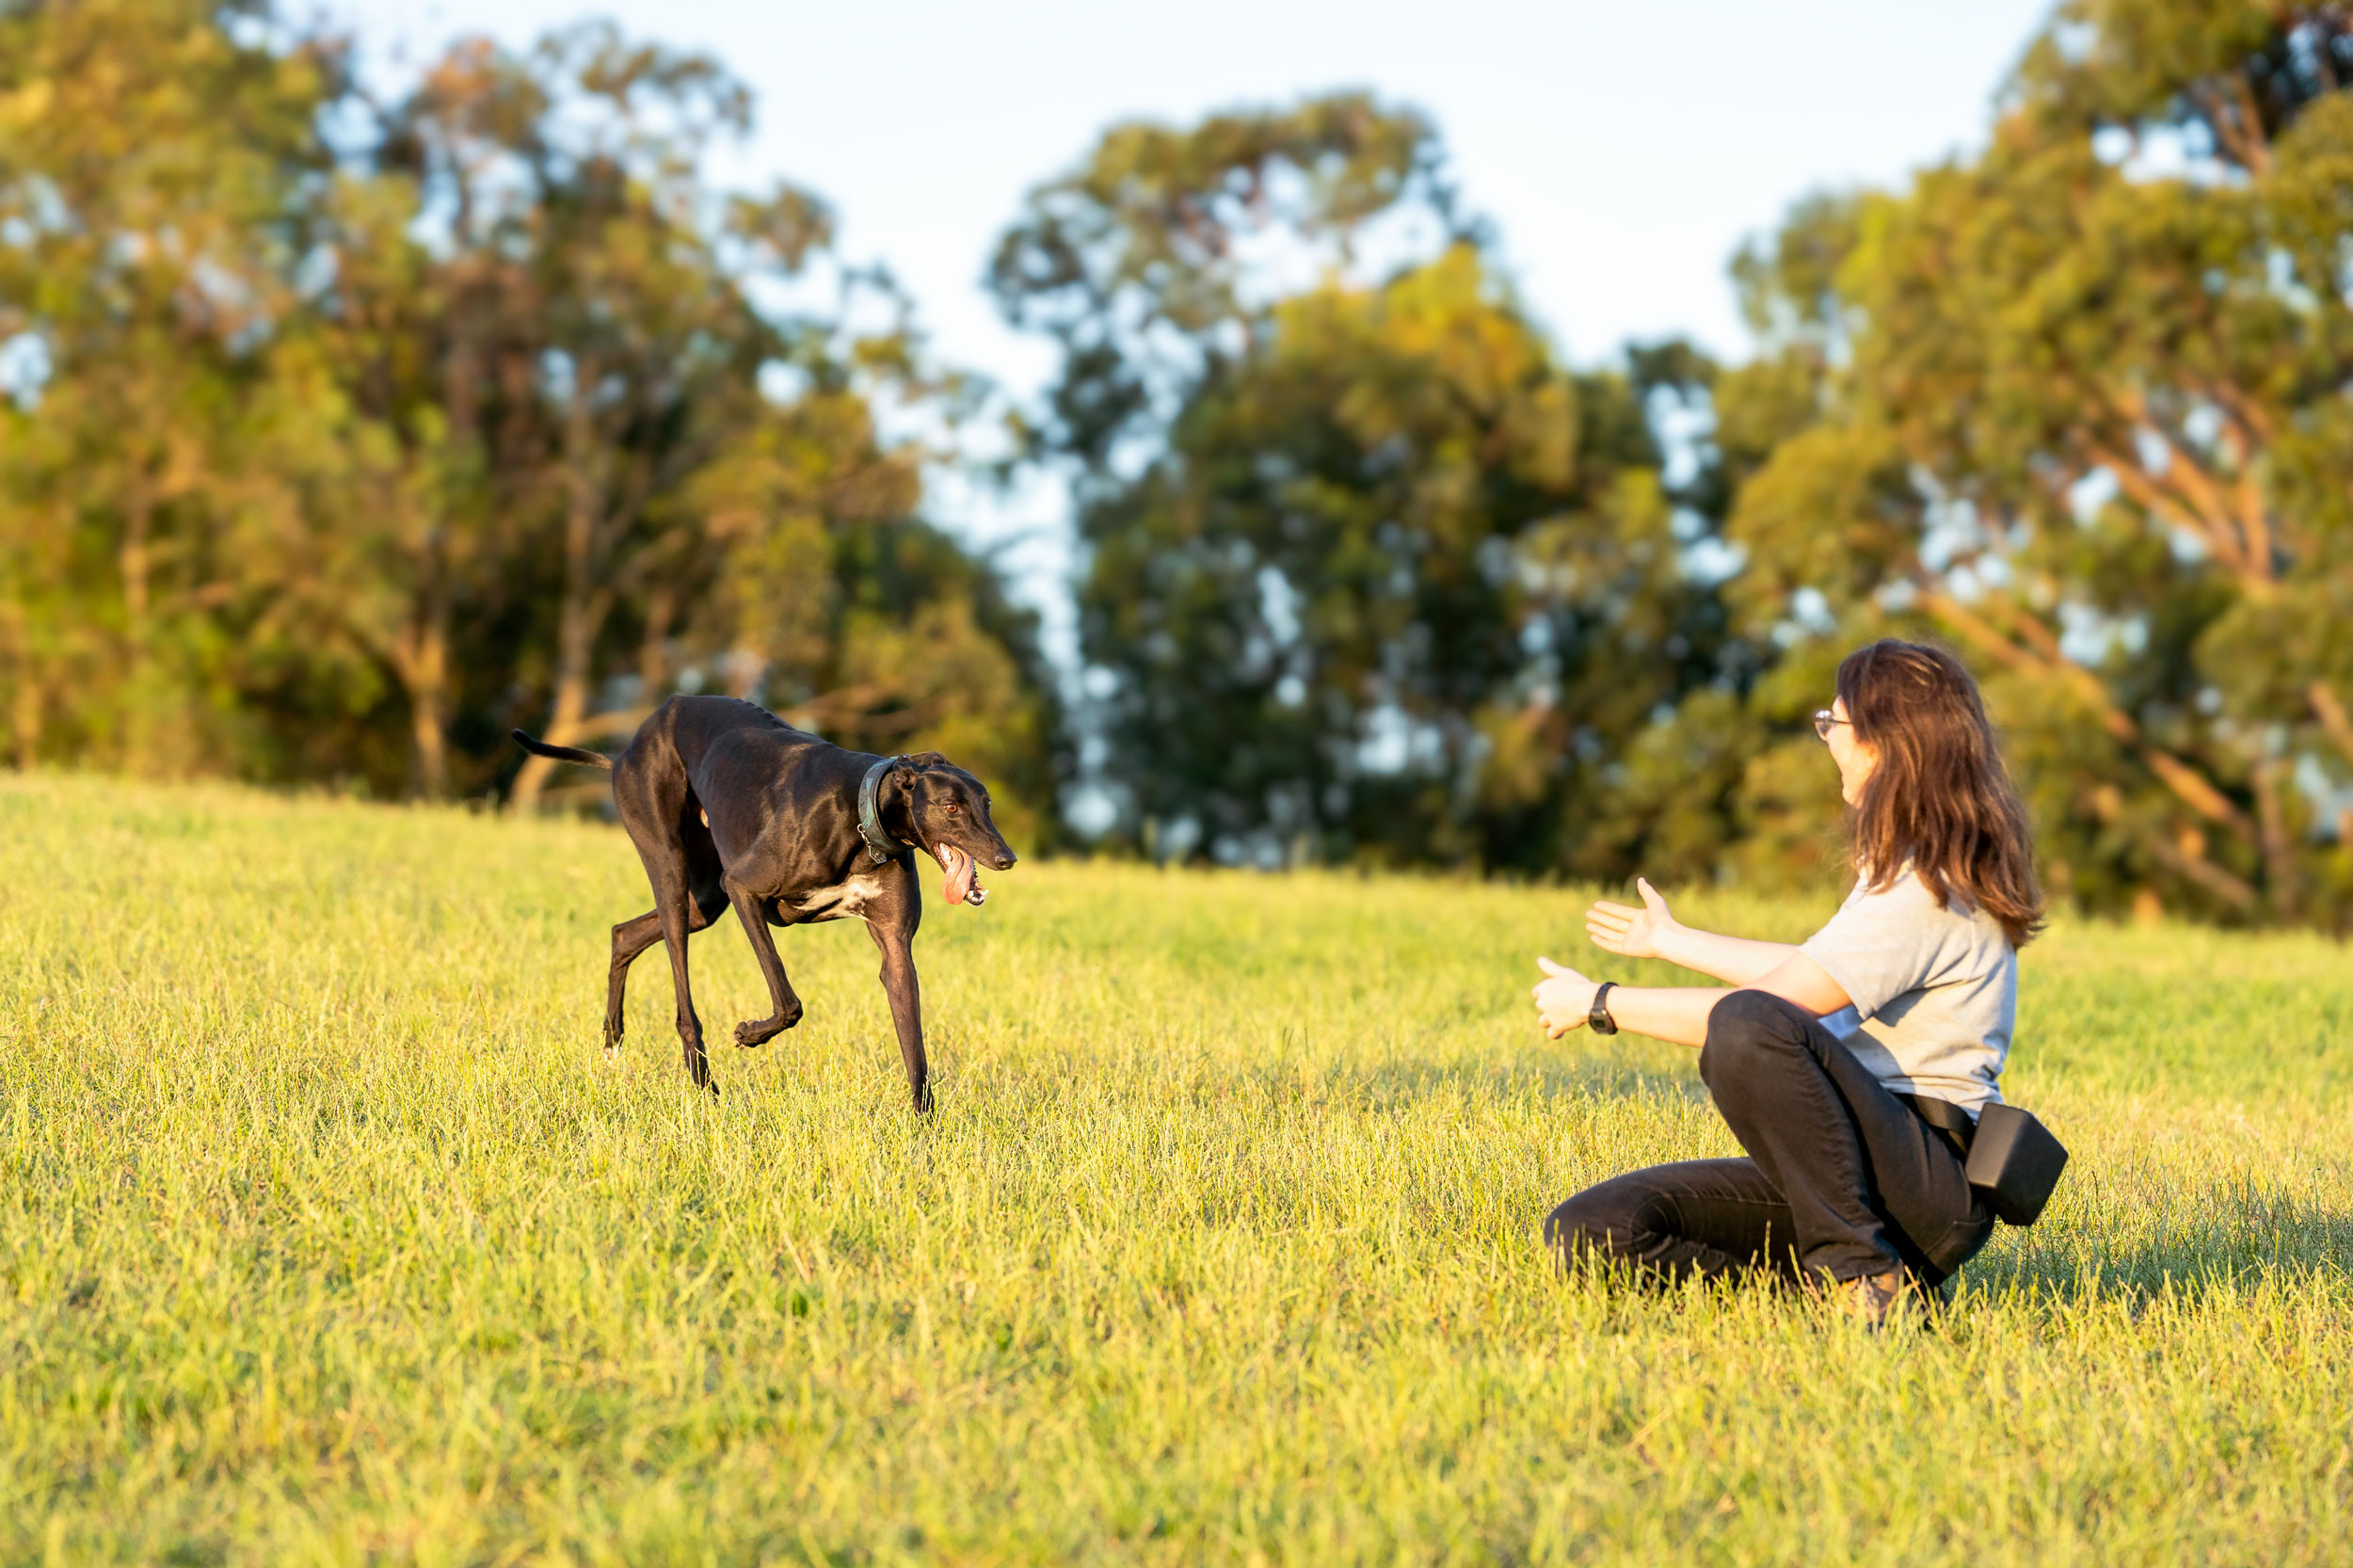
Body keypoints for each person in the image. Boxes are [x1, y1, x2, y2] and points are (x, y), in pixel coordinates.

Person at [1531, 639, 2044, 1324]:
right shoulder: (1907, 873)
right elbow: (1814, 978)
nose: (1826, 739)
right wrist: (1671, 941)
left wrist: (1600, 1004)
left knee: (1748, 1027)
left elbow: (1766, 1014)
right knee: (1594, 1230)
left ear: (1882, 742)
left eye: (1831, 725)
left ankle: (1863, 1277)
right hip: (1853, 1171)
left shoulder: (1930, 887)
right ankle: (1862, 1289)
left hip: (1923, 1179)